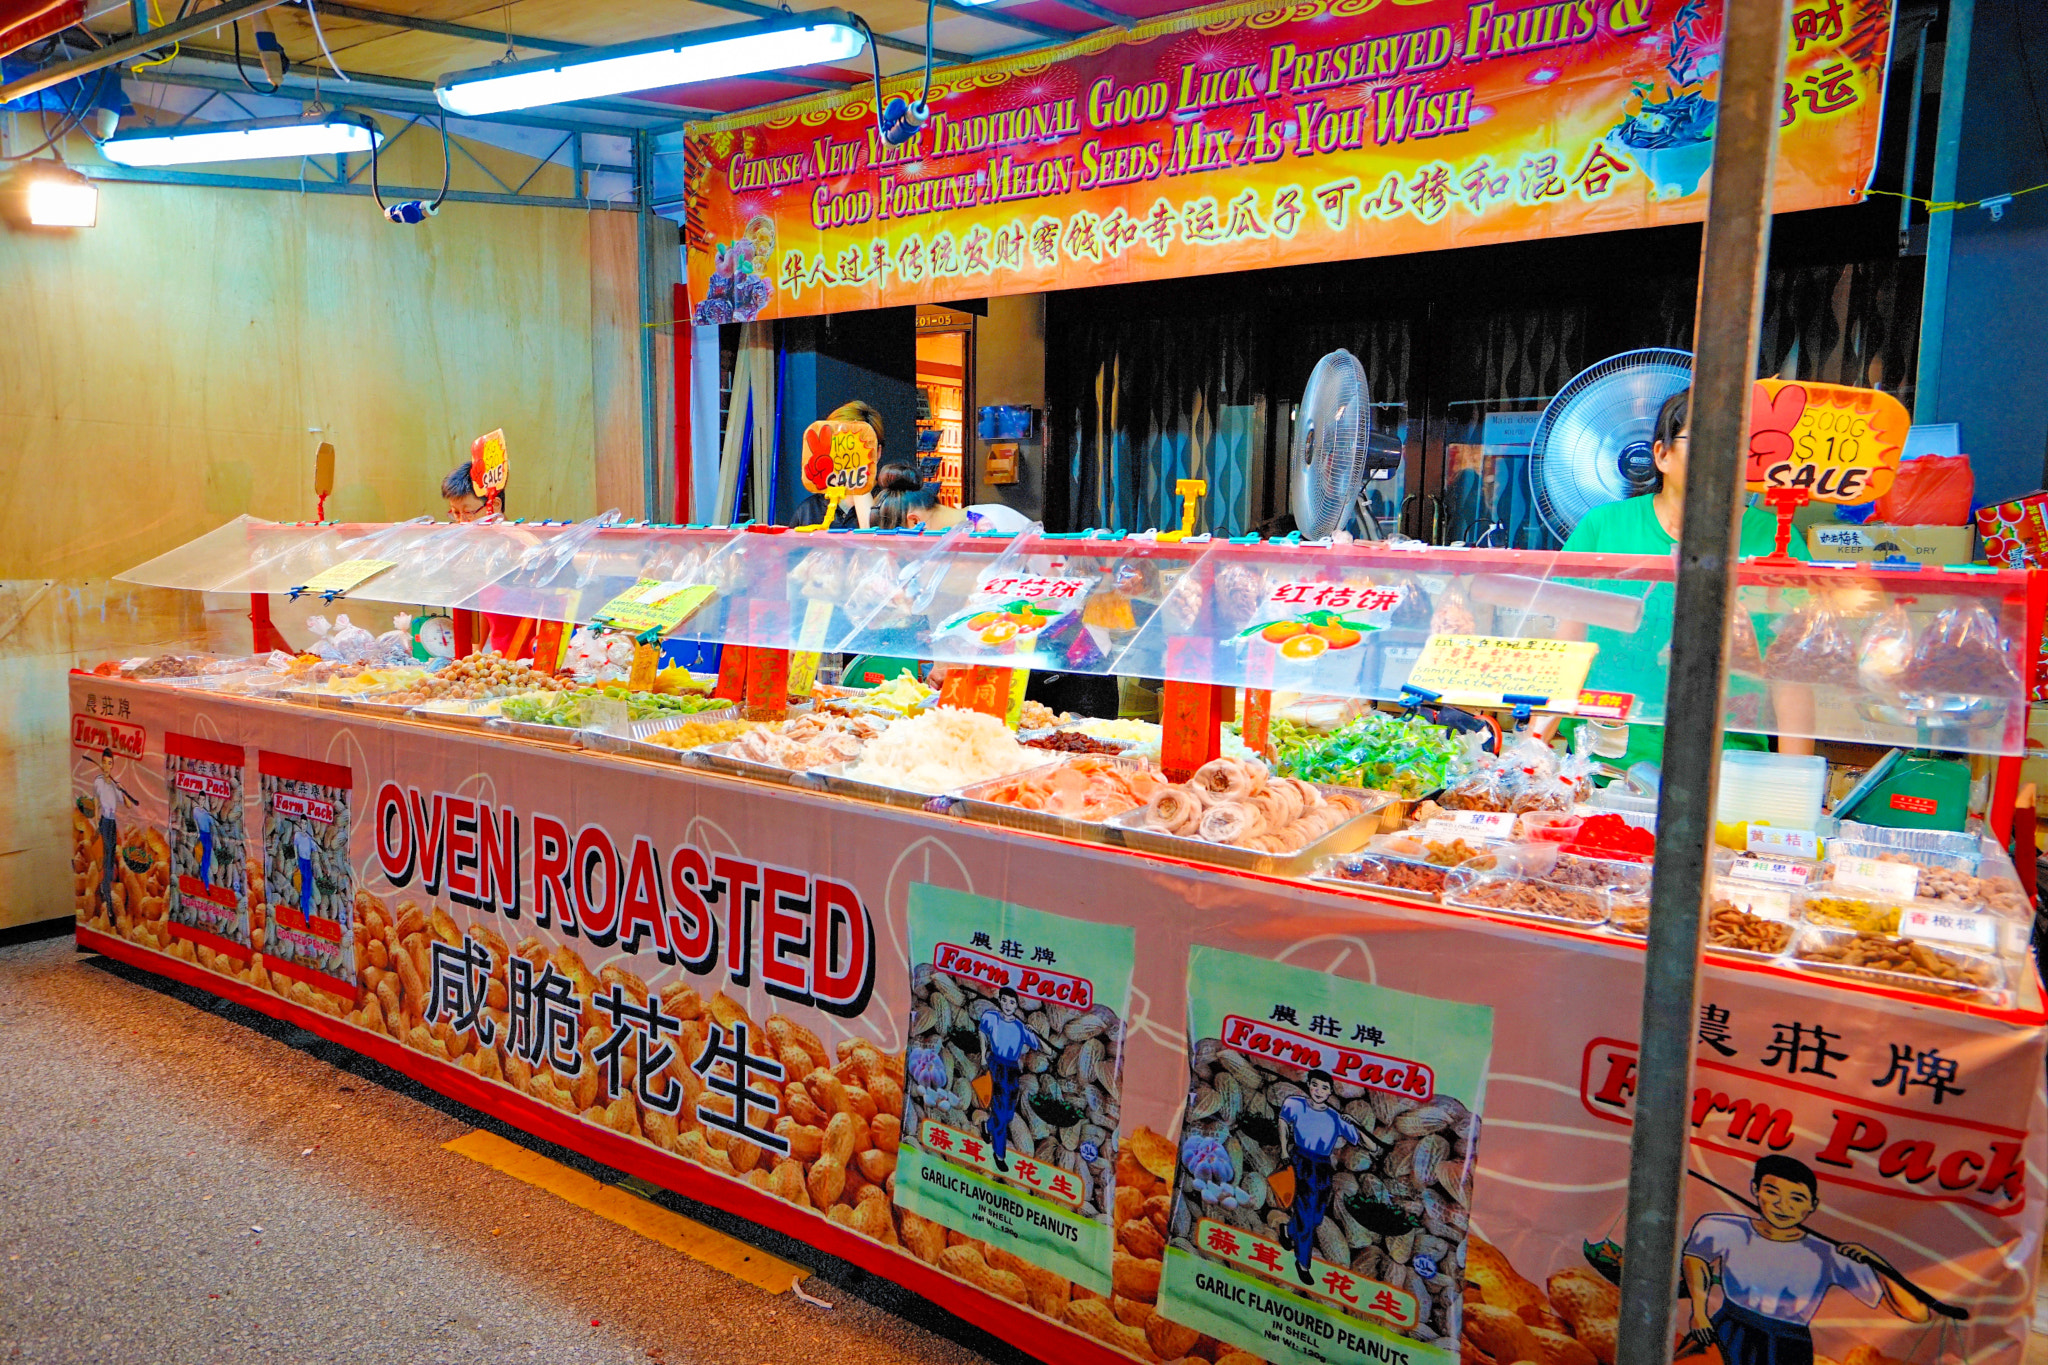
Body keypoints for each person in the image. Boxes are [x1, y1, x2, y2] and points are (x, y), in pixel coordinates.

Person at [1556, 387, 1812, 770]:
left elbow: (1791, 670)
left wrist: (1796, 782)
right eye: (1703, 439)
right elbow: (1566, 647)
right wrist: (1534, 750)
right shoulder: (1603, 527)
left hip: (1728, 763)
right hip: (1607, 757)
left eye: (1735, 443)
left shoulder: (1775, 538)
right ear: (1661, 454)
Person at [1683, 1154, 1928, 1364]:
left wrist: (1877, 1262)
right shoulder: (1722, 1227)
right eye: (1772, 1191)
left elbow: (1917, 1313)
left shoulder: (1827, 1255)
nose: (1783, 1205)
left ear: (1812, 1205)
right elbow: (1695, 1259)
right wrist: (1700, 1312)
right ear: (1755, 1190)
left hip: (1787, 1343)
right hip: (1729, 1328)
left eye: (1797, 1199)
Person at [1275, 1069, 1365, 1285]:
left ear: (1331, 1092)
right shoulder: (1295, 1103)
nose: (1318, 1091)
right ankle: (1303, 1263)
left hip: (1323, 1167)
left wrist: (1354, 1123)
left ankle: (1287, 1231)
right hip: (1301, 1161)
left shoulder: (1335, 1117)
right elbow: (1282, 1121)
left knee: (1316, 1217)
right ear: (1308, 1085)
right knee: (1307, 1217)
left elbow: (1367, 1144)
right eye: (1315, 1085)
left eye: (1324, 1088)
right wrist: (1284, 1150)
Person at [977, 985, 1046, 1174]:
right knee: (1001, 1113)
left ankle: (987, 1125)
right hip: (996, 1065)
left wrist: (1033, 1032)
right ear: (1000, 1001)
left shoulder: (1020, 1027)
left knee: (1007, 1114)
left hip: (1012, 1070)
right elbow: (982, 1031)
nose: (1008, 1005)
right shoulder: (991, 1017)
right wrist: (983, 1055)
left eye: (1012, 1002)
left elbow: (1044, 1049)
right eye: (1005, 1001)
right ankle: (999, 1155)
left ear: (1017, 1005)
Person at [791, 401, 887, 529]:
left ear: (878, 452)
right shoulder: (808, 510)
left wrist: (858, 483)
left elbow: (878, 542)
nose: (845, 455)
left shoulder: (891, 506)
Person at [92, 748, 136, 918]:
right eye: (104, 762)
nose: (106, 766)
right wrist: (96, 823)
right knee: (106, 856)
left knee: (110, 856)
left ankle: (107, 888)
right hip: (103, 821)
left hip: (112, 823)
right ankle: (107, 893)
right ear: (101, 763)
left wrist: (122, 789)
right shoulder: (98, 782)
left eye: (109, 763)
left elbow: (129, 805)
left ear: (112, 765)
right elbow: (96, 802)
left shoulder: (115, 786)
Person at [293, 818, 318, 921]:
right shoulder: (297, 836)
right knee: (300, 888)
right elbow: (295, 847)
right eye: (302, 823)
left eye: (305, 824)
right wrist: (295, 860)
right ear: (300, 824)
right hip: (300, 862)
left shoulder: (309, 838)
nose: (304, 826)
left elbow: (315, 850)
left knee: (307, 891)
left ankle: (306, 917)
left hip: (308, 864)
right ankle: (302, 912)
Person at [193, 799, 217, 890]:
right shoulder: (195, 810)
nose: (201, 802)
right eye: (201, 800)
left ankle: (207, 886)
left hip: (207, 836)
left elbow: (213, 823)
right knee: (203, 861)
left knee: (207, 861)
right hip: (201, 835)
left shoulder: (207, 814)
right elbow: (195, 822)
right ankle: (206, 885)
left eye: (203, 800)